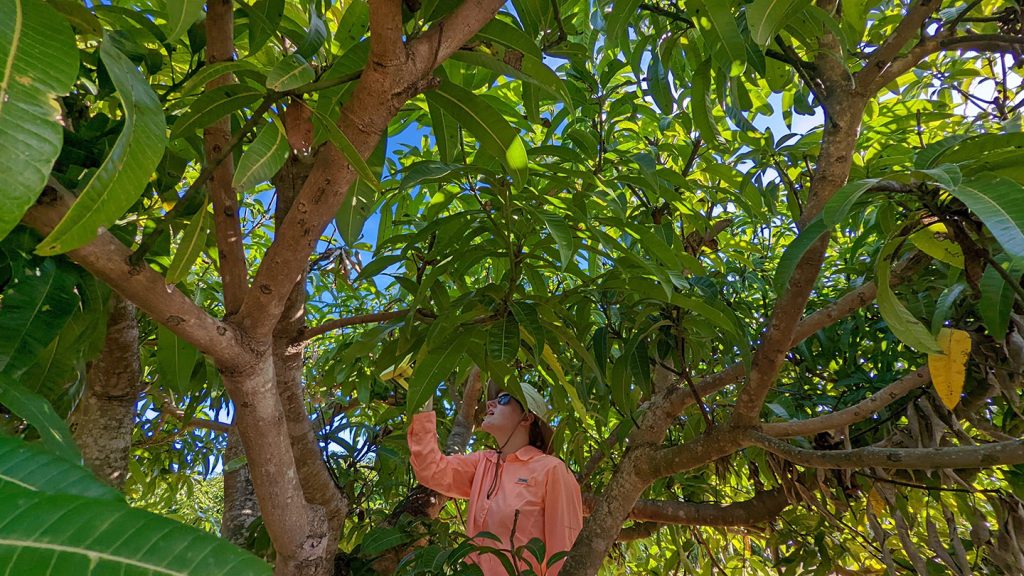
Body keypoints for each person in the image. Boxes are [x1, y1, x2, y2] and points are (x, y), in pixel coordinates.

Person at [407, 382, 584, 575]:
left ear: (526, 418)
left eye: (503, 399)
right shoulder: (483, 463)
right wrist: (421, 399)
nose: (490, 404)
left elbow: (565, 554)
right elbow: (431, 470)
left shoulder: (553, 470)